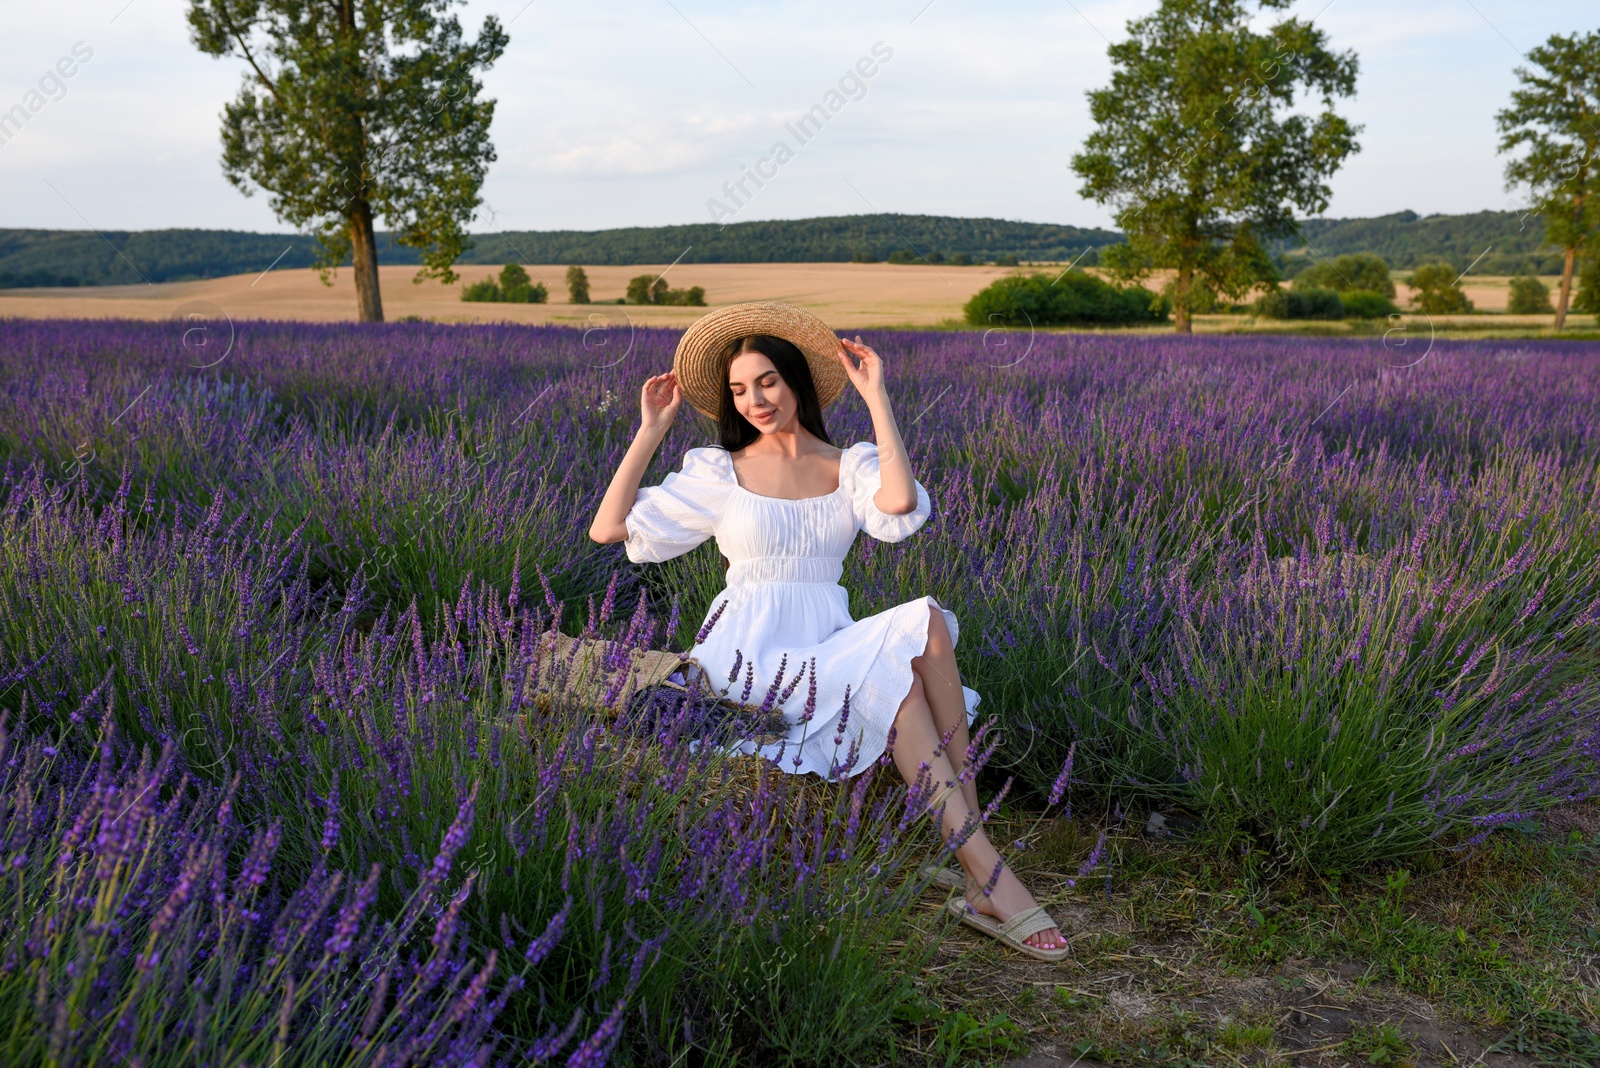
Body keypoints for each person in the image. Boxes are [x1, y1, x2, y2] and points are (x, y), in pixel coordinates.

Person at [587, 301, 1067, 957]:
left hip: (825, 645)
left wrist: (878, 399)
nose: (754, 399)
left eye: (767, 382)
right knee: (900, 678)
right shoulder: (719, 470)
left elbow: (899, 507)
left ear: (797, 382)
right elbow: (608, 529)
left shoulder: (850, 466)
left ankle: (977, 855)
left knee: (922, 626)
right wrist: (650, 430)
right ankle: (986, 872)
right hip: (749, 657)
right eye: (738, 389)